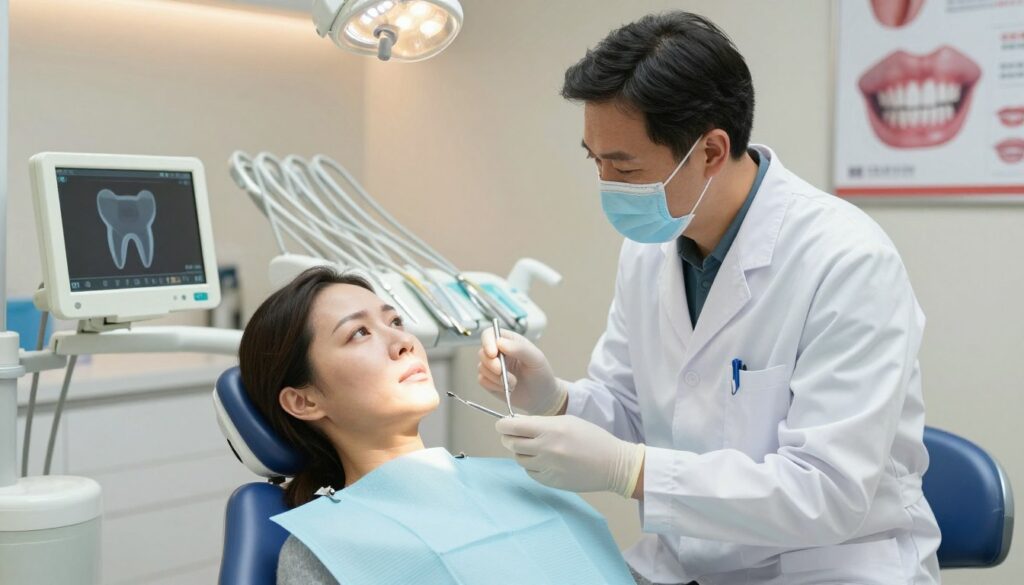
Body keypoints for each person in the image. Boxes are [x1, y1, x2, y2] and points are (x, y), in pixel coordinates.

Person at [479, 11, 941, 585]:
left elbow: (825, 493)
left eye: (623, 165)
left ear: (711, 151)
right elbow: (632, 414)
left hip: (824, 567)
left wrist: (631, 469)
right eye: (594, 160)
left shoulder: (846, 262)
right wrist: (555, 399)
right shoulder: (654, 246)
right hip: (687, 563)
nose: (606, 184)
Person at [237, 267, 647, 585]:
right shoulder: (322, 549)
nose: (404, 342)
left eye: (395, 322)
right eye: (359, 333)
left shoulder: (527, 483)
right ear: (304, 400)